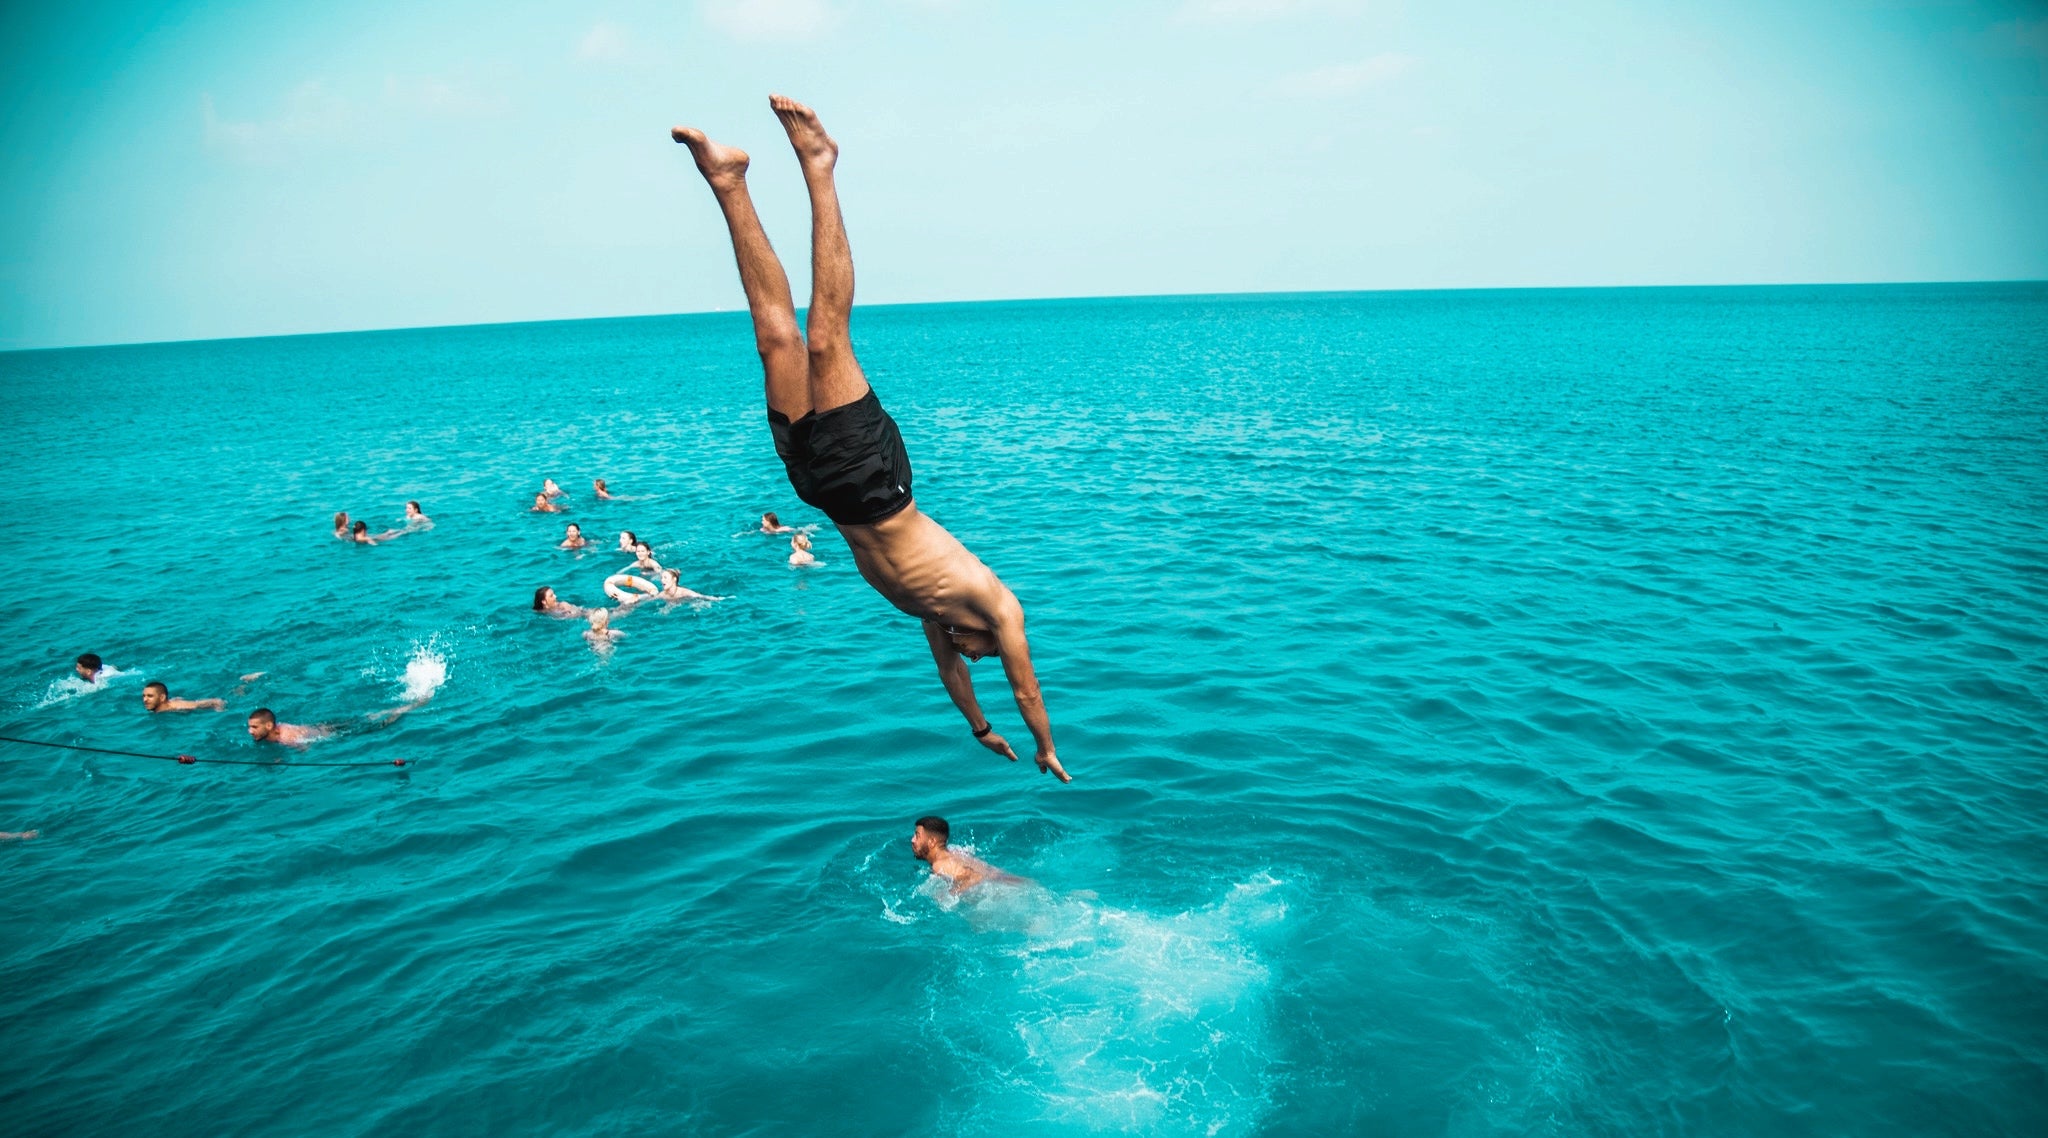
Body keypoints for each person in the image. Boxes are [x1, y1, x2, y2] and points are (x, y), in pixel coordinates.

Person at [673, 96, 1070, 782]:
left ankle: (727, 180)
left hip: (820, 490)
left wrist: (979, 729)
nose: (973, 657)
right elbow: (1026, 684)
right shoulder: (998, 608)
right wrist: (1043, 746)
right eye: (980, 655)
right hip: (876, 487)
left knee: (776, 341)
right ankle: (819, 164)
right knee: (827, 339)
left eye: (971, 657)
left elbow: (953, 677)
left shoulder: (938, 617)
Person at [911, 816, 1029, 894]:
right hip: (1013, 882)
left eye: (917, 836)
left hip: (1001, 894)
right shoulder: (955, 852)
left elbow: (973, 877)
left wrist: (949, 895)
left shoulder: (939, 865)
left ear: (932, 841)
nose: (912, 840)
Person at [245, 708, 333, 749]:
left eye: (255, 727)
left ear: (269, 726)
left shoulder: (286, 738)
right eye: (249, 727)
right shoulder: (269, 733)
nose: (250, 731)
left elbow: (306, 749)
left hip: (328, 733)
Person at [142, 681, 225, 713]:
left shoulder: (178, 706)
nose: (145, 699)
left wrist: (219, 709)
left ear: (162, 698)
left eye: (150, 696)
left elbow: (215, 701)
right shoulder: (156, 710)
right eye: (144, 696)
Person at [653, 567, 724, 604]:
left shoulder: (684, 592)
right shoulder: (663, 594)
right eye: (661, 578)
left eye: (665, 577)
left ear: (674, 579)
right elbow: (650, 600)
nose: (662, 580)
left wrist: (720, 599)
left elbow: (701, 596)